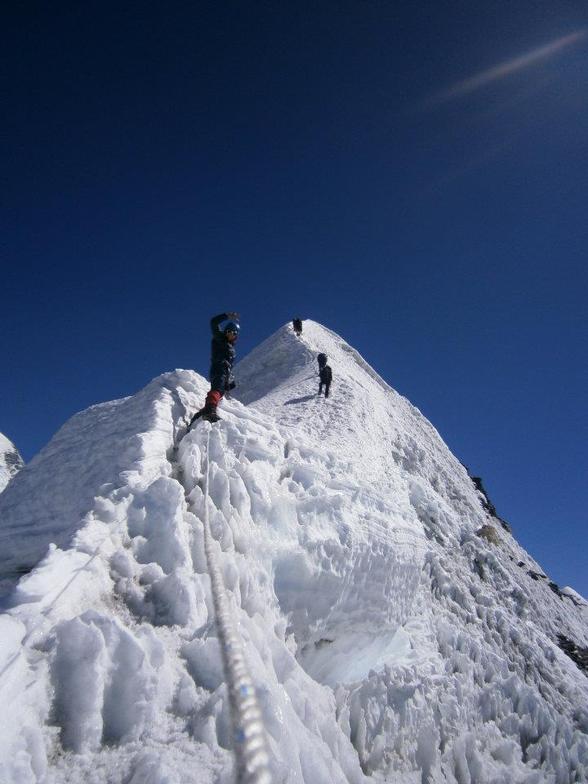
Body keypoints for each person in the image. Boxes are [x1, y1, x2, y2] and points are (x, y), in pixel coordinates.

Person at [190, 312, 240, 425]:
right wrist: (226, 316)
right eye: (229, 331)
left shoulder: (231, 348)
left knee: (220, 391)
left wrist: (229, 381)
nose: (230, 334)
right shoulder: (220, 338)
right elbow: (213, 322)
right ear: (225, 332)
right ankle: (209, 411)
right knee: (217, 389)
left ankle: (201, 414)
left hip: (224, 371)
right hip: (218, 367)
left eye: (233, 333)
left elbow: (230, 366)